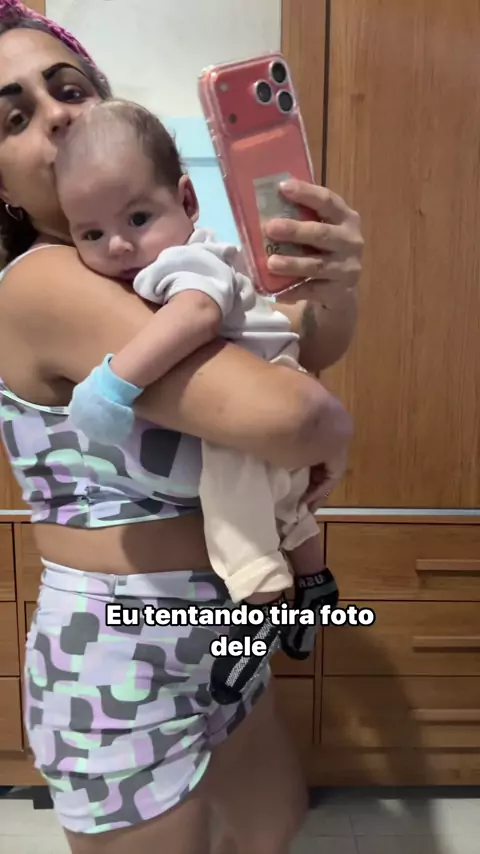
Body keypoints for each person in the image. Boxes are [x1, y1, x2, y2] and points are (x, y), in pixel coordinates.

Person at [0, 3, 363, 853]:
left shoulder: (151, 264)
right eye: (14, 118)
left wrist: (337, 282)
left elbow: (306, 345)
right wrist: (330, 431)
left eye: (68, 88)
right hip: (120, 657)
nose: (57, 116)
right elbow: (293, 414)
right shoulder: (42, 283)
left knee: (268, 830)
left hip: (222, 629)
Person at [55, 98, 342, 704]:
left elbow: (195, 316)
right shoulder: (185, 254)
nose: (117, 245)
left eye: (138, 217)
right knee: (284, 509)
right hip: (281, 404)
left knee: (234, 510)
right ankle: (314, 581)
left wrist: (113, 384)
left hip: (254, 417)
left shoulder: (186, 261)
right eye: (91, 233)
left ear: (187, 201)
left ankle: (261, 607)